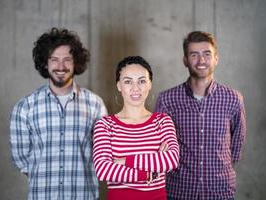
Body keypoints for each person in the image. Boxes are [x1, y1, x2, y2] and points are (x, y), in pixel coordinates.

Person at [10, 27, 107, 200]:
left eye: (67, 60)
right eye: (54, 59)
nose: (60, 66)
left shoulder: (95, 104)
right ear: (44, 63)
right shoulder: (25, 107)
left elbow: (104, 153)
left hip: (83, 195)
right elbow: (22, 160)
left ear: (76, 62)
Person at [155, 31, 246, 200]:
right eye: (194, 54)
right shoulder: (167, 99)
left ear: (216, 59)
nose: (201, 60)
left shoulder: (233, 98)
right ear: (185, 61)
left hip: (220, 192)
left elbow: (236, 145)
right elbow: (158, 147)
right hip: (179, 192)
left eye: (207, 54)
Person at [93, 56, 179, 200]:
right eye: (128, 81)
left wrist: (125, 161)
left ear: (150, 84)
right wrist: (149, 173)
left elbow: (171, 160)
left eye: (142, 81)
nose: (135, 88)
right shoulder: (105, 125)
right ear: (119, 85)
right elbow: (103, 170)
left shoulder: (162, 121)